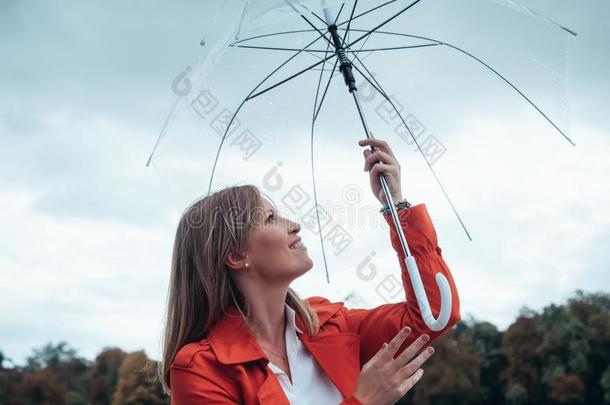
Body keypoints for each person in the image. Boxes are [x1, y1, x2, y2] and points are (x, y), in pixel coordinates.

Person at [159, 138, 461, 404]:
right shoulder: (200, 370)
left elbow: (434, 314)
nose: (294, 225)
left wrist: (396, 205)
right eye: (270, 218)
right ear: (236, 256)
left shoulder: (330, 325)